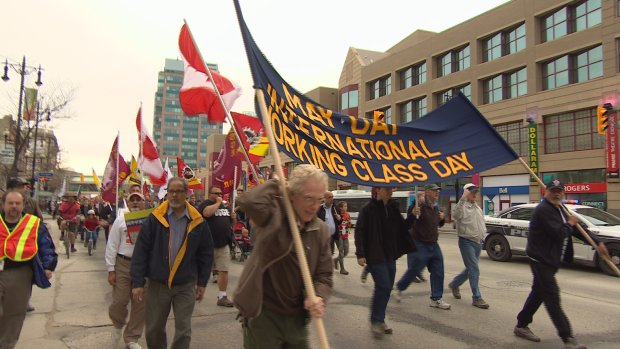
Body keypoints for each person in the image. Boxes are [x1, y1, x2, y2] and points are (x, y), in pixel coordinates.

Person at [234, 165, 333, 348]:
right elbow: (248, 202)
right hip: (264, 315)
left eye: (319, 200)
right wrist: (276, 184)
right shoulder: (273, 214)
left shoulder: (321, 231)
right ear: (293, 194)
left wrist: (319, 296)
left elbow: (324, 275)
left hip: (298, 319)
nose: (315, 206)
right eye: (309, 198)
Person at [514, 179, 609, 349]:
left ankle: (521, 325)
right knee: (552, 297)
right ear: (546, 192)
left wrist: (598, 242)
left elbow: (578, 230)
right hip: (540, 260)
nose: (556, 194)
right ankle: (568, 338)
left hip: (550, 260)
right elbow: (560, 232)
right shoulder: (544, 210)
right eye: (553, 191)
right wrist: (570, 223)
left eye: (559, 191)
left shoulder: (560, 210)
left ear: (563, 193)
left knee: (539, 293)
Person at [130, 177, 213, 349]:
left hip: (185, 284)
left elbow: (206, 254)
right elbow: (141, 251)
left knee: (183, 330)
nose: (174, 195)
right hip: (158, 284)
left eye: (178, 191)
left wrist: (202, 282)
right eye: (171, 191)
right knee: (154, 328)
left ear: (186, 193)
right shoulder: (154, 218)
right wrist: (137, 282)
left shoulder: (197, 221)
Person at [355, 186, 416, 338]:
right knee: (383, 286)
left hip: (390, 255)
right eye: (387, 188)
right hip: (375, 255)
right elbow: (360, 231)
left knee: (387, 288)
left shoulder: (393, 207)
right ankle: (375, 321)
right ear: (378, 191)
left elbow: (403, 227)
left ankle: (380, 319)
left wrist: (413, 216)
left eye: (391, 189)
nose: (391, 191)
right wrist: (360, 254)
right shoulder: (368, 209)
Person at [0, 191, 57, 349]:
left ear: (23, 205)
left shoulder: (33, 223)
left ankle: (6, 345)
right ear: (3, 204)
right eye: (10, 203)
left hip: (21, 274)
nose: (14, 206)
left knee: (15, 314)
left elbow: (47, 247)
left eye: (18, 203)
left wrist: (48, 266)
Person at [395, 183, 448, 310]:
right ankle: (399, 288)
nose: (437, 193)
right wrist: (415, 206)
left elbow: (438, 224)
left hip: (434, 244)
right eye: (435, 191)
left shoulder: (436, 208)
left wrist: (442, 219)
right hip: (420, 243)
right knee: (414, 269)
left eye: (438, 191)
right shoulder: (420, 205)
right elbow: (410, 216)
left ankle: (436, 299)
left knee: (438, 271)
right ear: (427, 192)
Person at [106, 193, 149, 349]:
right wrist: (111, 270)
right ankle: (118, 324)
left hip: (144, 267)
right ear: (128, 204)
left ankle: (131, 338)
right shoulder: (121, 220)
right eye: (133, 200)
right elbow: (112, 245)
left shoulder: (151, 220)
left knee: (139, 305)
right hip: (123, 264)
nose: (136, 202)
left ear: (145, 203)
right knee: (119, 301)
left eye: (139, 200)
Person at [447, 183, 489, 309]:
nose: (475, 194)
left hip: (478, 242)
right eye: (472, 192)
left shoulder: (477, 208)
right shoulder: (462, 206)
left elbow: (481, 222)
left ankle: (455, 284)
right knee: (474, 269)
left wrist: (482, 236)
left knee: (470, 269)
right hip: (466, 242)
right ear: (466, 193)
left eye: (476, 192)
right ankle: (477, 297)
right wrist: (463, 199)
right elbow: (455, 215)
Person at [198, 185, 236, 307]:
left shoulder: (226, 206)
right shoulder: (205, 205)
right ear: (209, 195)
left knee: (224, 270)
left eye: (220, 193)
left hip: (223, 243)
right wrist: (218, 203)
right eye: (216, 193)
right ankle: (194, 292)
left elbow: (231, 223)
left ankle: (222, 296)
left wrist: (234, 219)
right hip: (207, 244)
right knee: (200, 270)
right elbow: (207, 213)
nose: (219, 195)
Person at [317, 191, 341, 268]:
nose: (331, 199)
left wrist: (339, 219)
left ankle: (329, 266)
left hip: (334, 235)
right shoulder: (320, 209)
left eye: (332, 197)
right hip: (325, 235)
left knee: (337, 251)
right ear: (325, 198)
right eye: (329, 197)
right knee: (327, 253)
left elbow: (339, 222)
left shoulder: (335, 208)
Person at [335, 200, 351, 275]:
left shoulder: (347, 214)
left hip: (345, 235)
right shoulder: (337, 215)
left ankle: (335, 260)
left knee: (346, 251)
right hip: (339, 235)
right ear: (340, 208)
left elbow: (349, 224)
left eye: (346, 206)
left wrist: (349, 224)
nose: (346, 208)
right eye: (344, 206)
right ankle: (342, 268)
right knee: (341, 251)